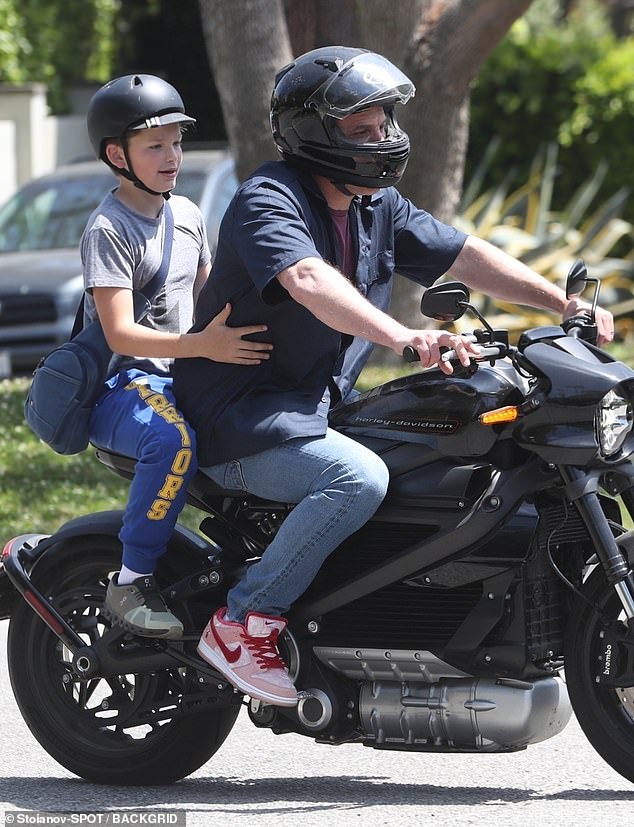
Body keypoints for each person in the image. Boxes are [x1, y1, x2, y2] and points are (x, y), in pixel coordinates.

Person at [173, 46, 614, 706]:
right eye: (362, 128)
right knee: (356, 478)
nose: (381, 138)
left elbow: (465, 254)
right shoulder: (270, 199)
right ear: (313, 132)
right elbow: (307, 278)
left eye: (384, 124)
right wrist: (405, 336)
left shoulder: (376, 204)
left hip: (315, 411)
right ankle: (242, 621)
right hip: (240, 421)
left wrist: (563, 303)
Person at [82, 74, 271, 640]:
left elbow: (211, 304)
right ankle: (131, 580)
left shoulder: (186, 214)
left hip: (184, 371)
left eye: (177, 142)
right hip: (122, 388)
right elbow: (119, 335)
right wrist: (202, 347)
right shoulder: (108, 228)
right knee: (174, 440)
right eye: (155, 145)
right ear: (118, 155)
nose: (172, 156)